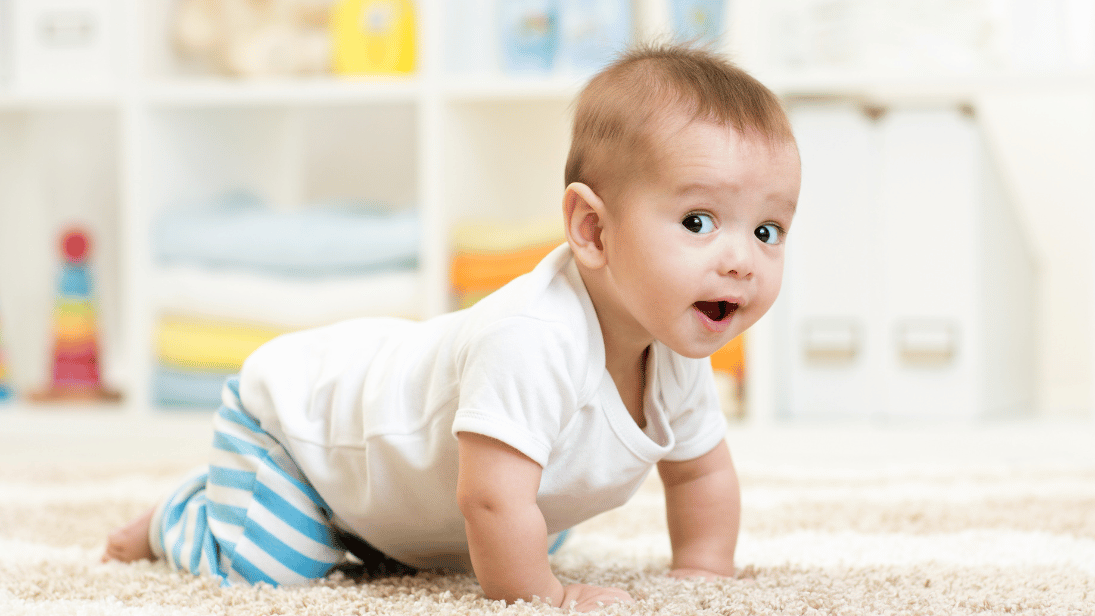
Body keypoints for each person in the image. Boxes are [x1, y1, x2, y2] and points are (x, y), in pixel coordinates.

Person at [103, 43, 800, 612]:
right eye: (698, 221)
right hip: (302, 435)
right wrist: (545, 597)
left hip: (411, 502)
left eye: (766, 230)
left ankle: (373, 535)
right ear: (592, 229)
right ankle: (184, 514)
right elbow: (488, 499)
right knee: (275, 566)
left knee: (525, 527)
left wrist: (704, 569)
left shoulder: (672, 348)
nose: (741, 260)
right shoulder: (532, 337)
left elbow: (700, 472)